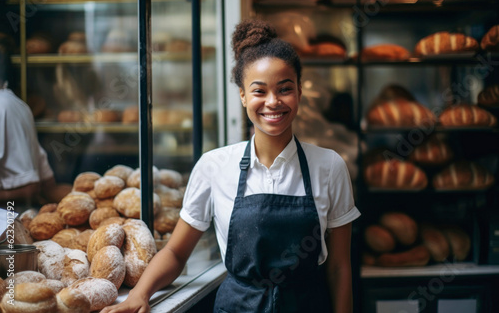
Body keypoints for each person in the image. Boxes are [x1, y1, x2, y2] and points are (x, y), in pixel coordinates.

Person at [102, 19, 360, 313]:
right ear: (242, 96)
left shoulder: (329, 166)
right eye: (259, 91)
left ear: (300, 91)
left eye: (284, 89)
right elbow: (175, 251)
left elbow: (339, 266)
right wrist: (140, 294)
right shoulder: (214, 166)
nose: (273, 102)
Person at [0, 38, 57, 211]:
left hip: (8, 218)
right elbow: (47, 182)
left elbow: (31, 188)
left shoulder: (3, 106)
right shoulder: (18, 105)